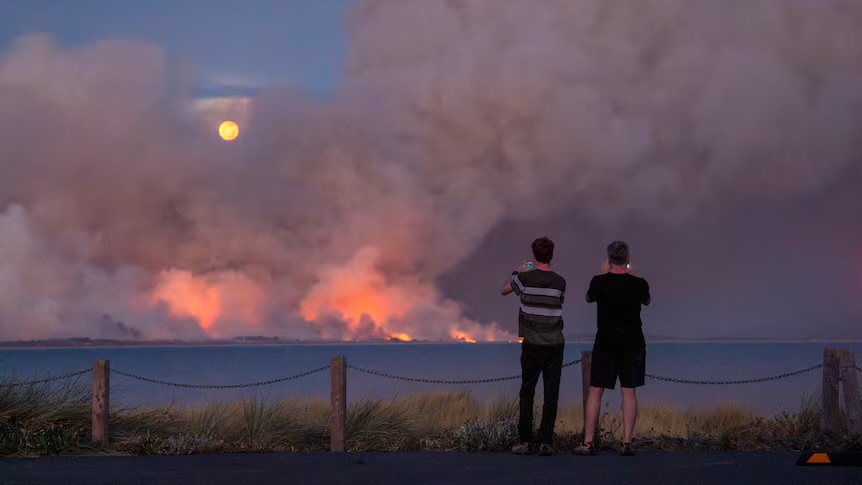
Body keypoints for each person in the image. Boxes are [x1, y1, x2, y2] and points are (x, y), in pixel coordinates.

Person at [575, 240, 650, 457]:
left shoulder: (599, 282)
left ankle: (588, 443)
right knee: (629, 394)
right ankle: (626, 443)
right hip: (633, 344)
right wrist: (632, 274)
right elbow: (647, 300)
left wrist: (603, 273)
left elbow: (589, 297)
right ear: (627, 259)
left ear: (608, 260)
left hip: (606, 344)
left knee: (595, 392)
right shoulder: (639, 284)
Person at [501, 236, 566, 456]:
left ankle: (526, 441)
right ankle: (545, 442)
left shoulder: (524, 279)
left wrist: (516, 271)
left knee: (527, 391)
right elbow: (559, 302)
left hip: (532, 344)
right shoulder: (560, 281)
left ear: (533, 256)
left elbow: (503, 290)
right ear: (551, 256)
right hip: (555, 344)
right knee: (551, 393)